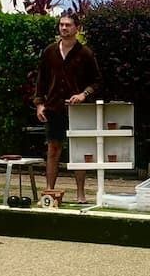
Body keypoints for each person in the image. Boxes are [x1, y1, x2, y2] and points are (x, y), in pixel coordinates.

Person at [33, 12, 102, 204]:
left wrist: (83, 94)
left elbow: (97, 81)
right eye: (61, 24)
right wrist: (39, 104)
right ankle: (49, 192)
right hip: (54, 107)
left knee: (78, 151)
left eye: (68, 25)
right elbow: (41, 80)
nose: (64, 28)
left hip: (78, 109)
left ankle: (80, 193)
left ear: (76, 28)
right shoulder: (49, 51)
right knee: (53, 149)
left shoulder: (85, 53)